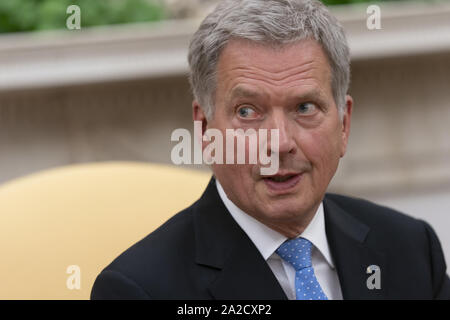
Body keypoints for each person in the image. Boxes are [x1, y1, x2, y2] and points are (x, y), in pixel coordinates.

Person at [91, 0, 450, 299]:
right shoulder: (139, 290)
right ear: (204, 129)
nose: (279, 143)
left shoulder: (411, 249)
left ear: (343, 123)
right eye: (247, 112)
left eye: (305, 107)